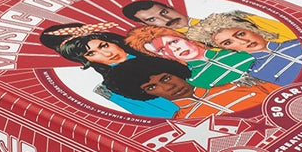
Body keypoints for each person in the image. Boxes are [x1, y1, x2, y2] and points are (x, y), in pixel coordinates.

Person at [39, 22, 177, 118]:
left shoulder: (158, 49)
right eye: (91, 53)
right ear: (87, 61)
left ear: (112, 41)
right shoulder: (111, 88)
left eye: (103, 46)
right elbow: (165, 115)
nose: (108, 54)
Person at [103, 56, 278, 120]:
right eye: (152, 87)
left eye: (166, 78)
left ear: (176, 72)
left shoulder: (242, 83)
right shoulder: (182, 123)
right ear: (144, 94)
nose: (169, 87)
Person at [123, 25, 258, 89]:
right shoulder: (195, 80)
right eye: (162, 50)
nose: (174, 49)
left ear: (185, 38)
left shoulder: (236, 51)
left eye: (173, 42)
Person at [186, 14, 302, 86]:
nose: (243, 41)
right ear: (225, 49)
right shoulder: (256, 72)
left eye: (241, 34)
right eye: (228, 43)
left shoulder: (298, 43)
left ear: (251, 29)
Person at [121, 1, 298, 43]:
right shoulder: (179, 46)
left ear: (172, 8)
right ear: (146, 26)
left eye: (165, 12)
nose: (167, 20)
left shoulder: (232, 16)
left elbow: (292, 33)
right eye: (153, 19)